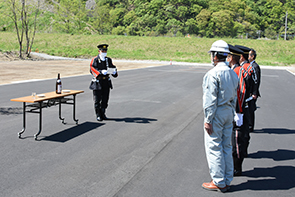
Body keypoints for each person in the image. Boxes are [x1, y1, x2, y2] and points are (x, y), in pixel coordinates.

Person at [202, 40, 238, 192]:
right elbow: (235, 95)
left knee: (214, 147)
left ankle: (218, 181)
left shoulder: (212, 74)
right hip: (229, 111)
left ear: (216, 56)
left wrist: (208, 120)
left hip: (217, 113)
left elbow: (210, 100)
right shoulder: (232, 72)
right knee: (226, 147)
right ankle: (227, 178)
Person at [232, 45, 257, 176]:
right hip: (246, 103)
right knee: (243, 135)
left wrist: (239, 110)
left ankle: (237, 166)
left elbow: (241, 91)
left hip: (242, 106)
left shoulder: (242, 69)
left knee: (238, 137)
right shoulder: (248, 68)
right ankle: (242, 155)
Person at [89, 44, 118, 121]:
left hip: (106, 81)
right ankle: (98, 114)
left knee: (105, 99)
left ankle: (103, 113)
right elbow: (92, 68)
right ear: (99, 51)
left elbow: (113, 67)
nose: (104, 52)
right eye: (102, 51)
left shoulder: (108, 60)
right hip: (98, 82)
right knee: (97, 100)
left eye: (105, 51)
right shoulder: (95, 59)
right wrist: (100, 72)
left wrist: (114, 72)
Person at [248, 49, 261, 132]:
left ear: (252, 56)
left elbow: (256, 81)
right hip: (250, 92)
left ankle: (250, 126)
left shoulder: (255, 66)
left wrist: (254, 92)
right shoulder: (250, 65)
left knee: (251, 109)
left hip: (252, 92)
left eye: (249, 55)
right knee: (248, 109)